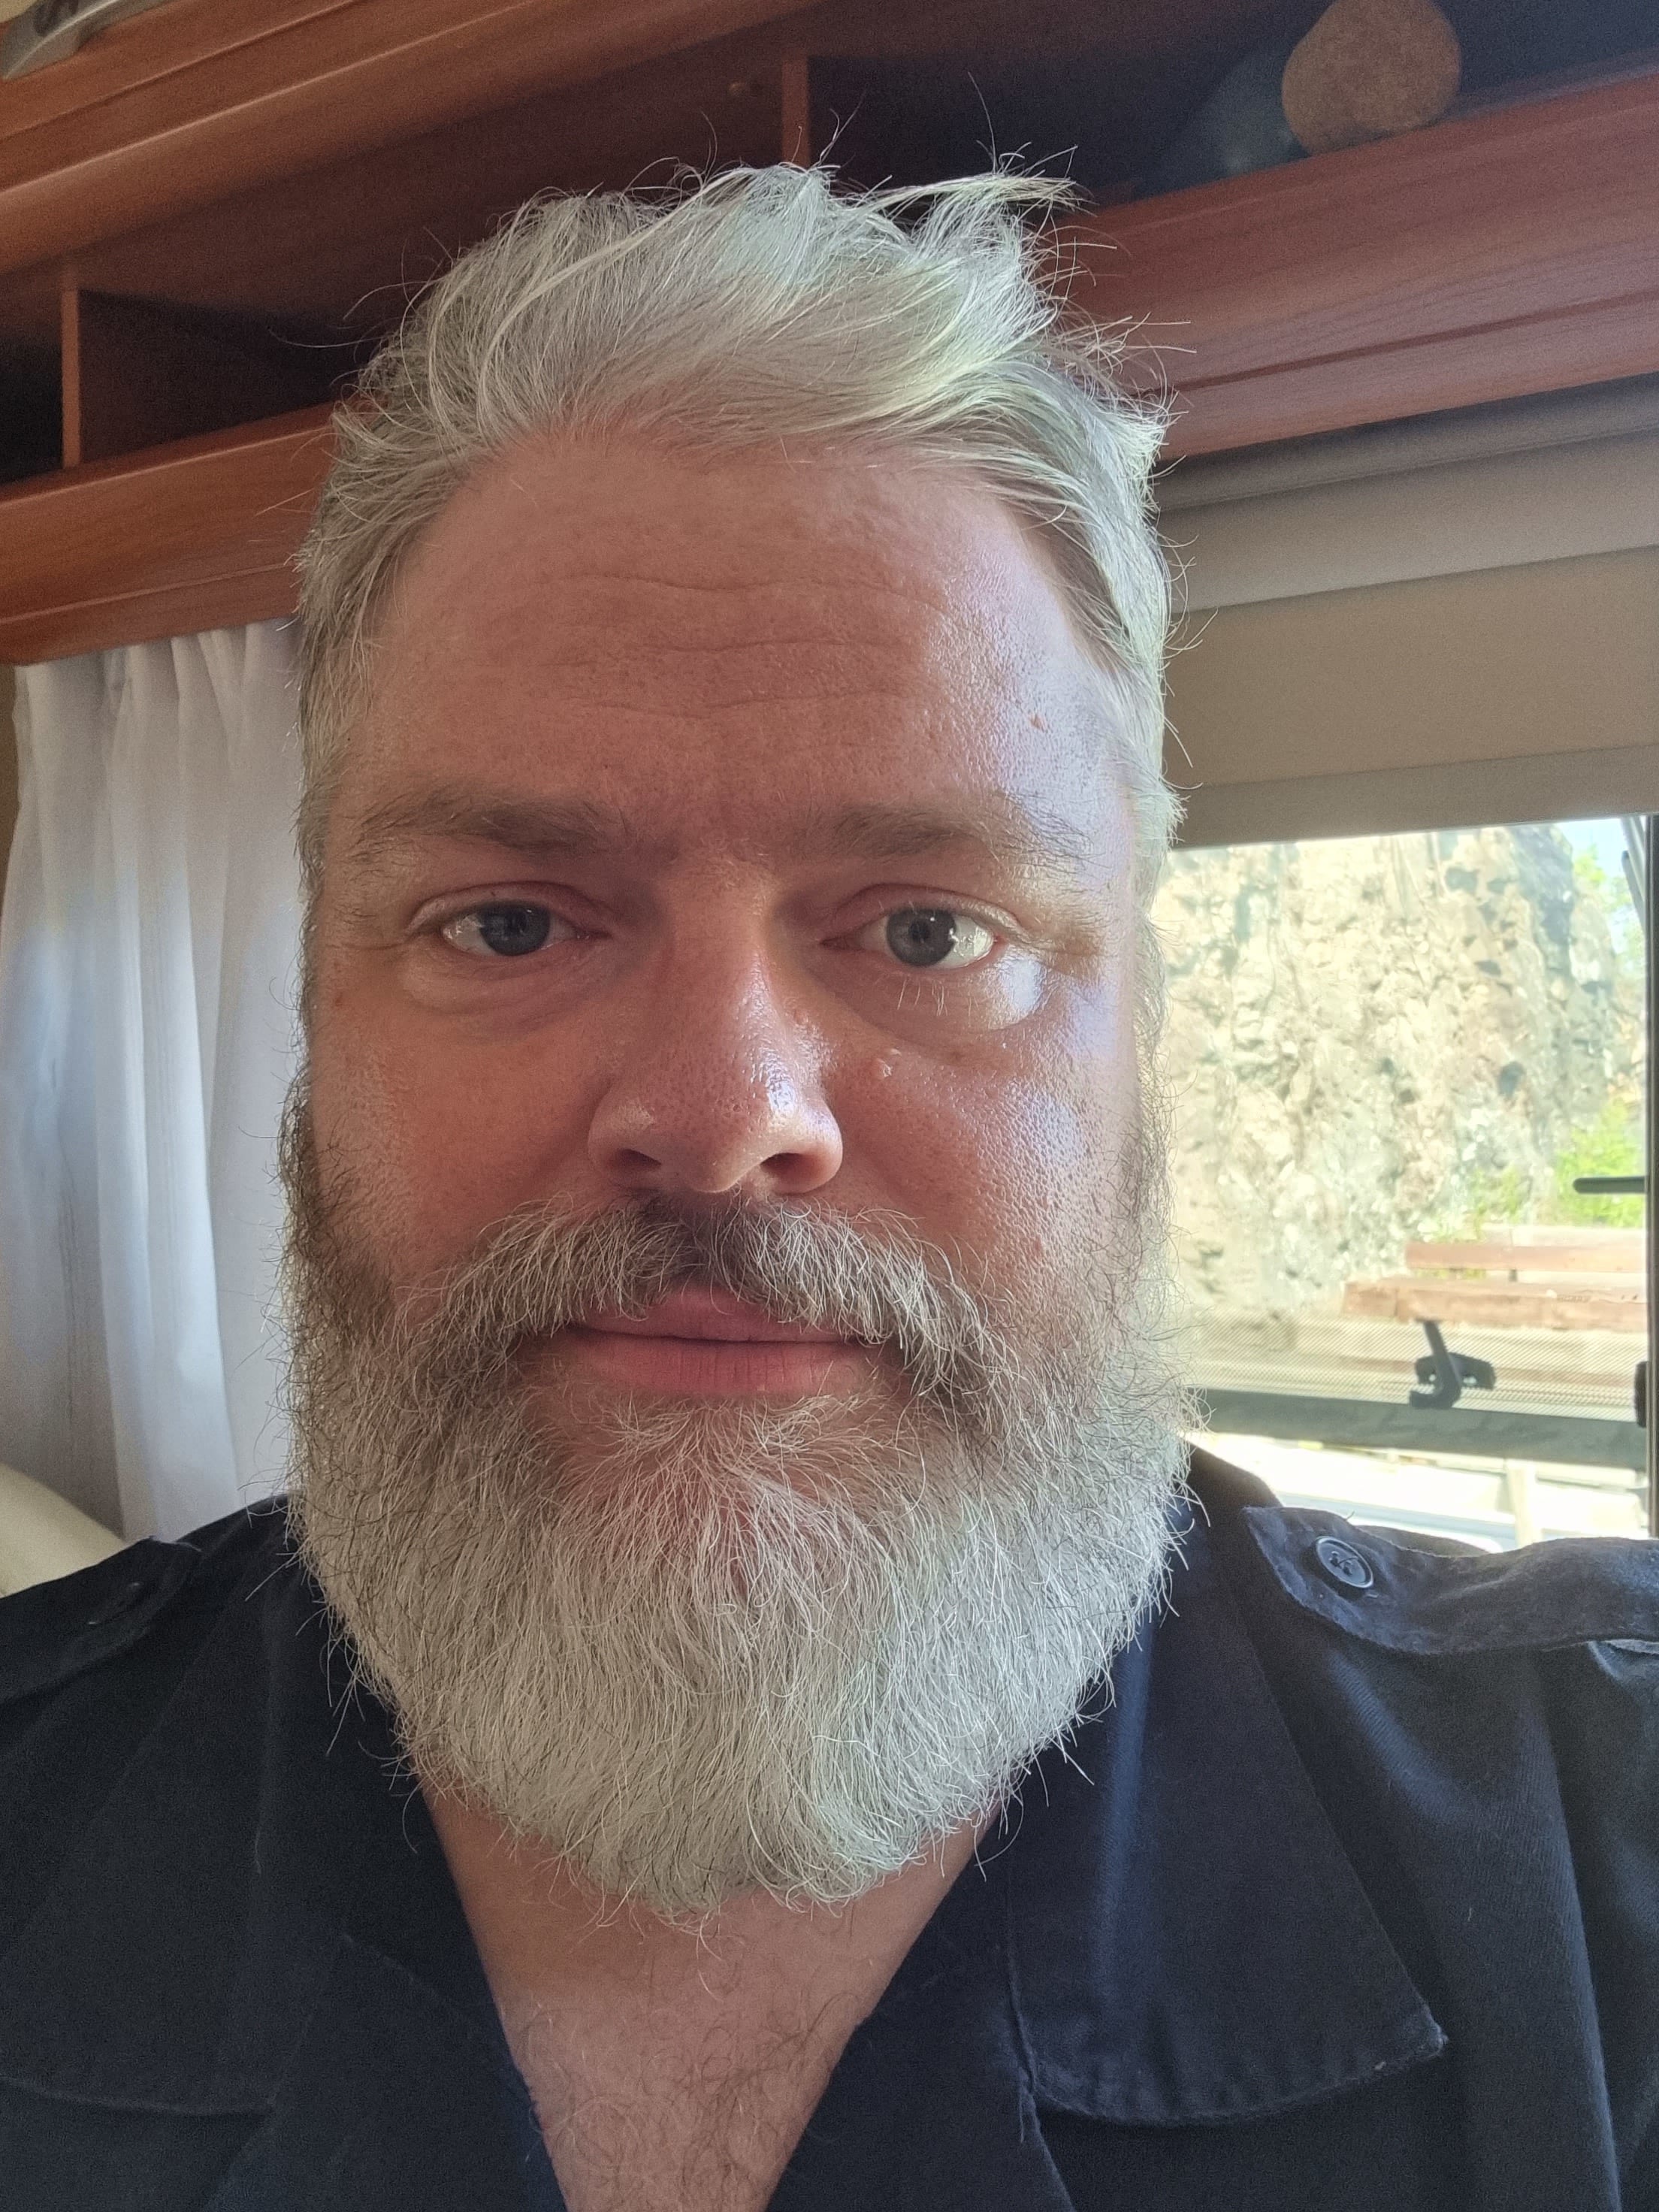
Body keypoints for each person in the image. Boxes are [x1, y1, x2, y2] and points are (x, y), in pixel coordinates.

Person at [1, 167, 1655, 2212]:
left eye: (931, 932)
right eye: (511, 922)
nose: (724, 1119)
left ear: (1140, 1037)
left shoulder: (1607, 1855)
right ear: (318, 1021)